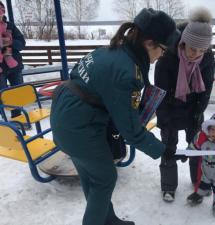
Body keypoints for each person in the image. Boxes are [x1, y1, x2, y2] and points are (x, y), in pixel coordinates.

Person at [50, 8, 179, 225]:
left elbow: (81, 80)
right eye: (163, 49)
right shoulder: (127, 71)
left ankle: (107, 219)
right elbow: (131, 130)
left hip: (66, 118)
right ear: (149, 43)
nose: (162, 55)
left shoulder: (111, 51)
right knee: (105, 178)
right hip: (79, 127)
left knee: (92, 176)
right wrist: (163, 151)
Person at [154, 7, 215, 202]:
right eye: (192, 48)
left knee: (195, 149)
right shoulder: (167, 57)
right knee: (168, 148)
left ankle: (198, 182)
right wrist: (163, 118)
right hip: (170, 108)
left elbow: (206, 88)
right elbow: (160, 92)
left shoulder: (207, 57)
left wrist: (199, 111)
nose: (195, 54)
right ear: (183, 42)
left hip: (193, 109)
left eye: (201, 50)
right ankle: (168, 186)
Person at [0, 1, 26, 118]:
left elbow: (22, 44)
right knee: (3, 98)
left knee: (18, 95)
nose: (1, 13)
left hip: (14, 66)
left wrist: (10, 41)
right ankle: (4, 123)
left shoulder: (10, 26)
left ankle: (18, 119)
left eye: (2, 10)